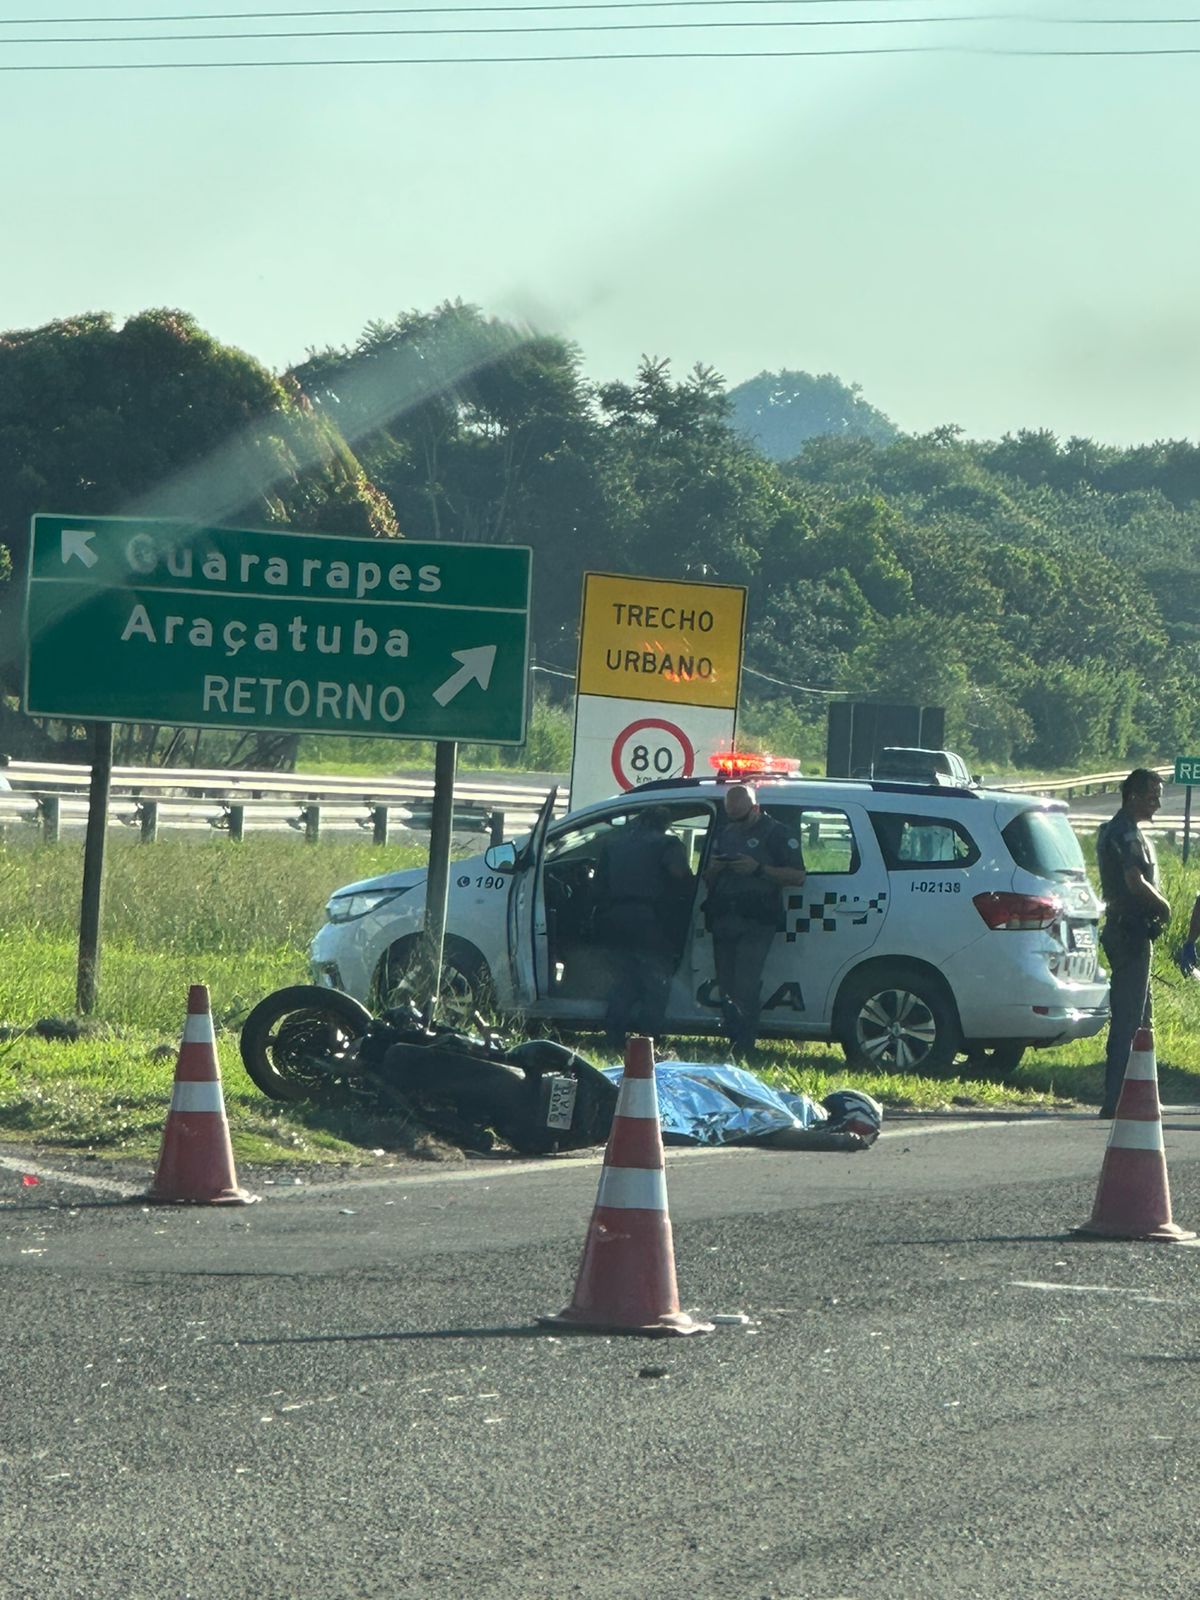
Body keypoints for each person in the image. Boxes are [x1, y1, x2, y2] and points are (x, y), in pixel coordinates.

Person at [702, 783, 807, 1057]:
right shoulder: (726, 832)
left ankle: (746, 1045)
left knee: (745, 984)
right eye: (731, 817)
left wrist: (758, 869)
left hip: (757, 919)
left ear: (756, 808)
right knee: (726, 985)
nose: (736, 823)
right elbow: (707, 879)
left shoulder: (777, 834)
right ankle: (733, 1040)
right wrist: (713, 869)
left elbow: (798, 876)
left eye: (742, 817)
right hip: (724, 916)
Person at [1096, 768, 1171, 1118]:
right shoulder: (1124, 832)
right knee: (1129, 1021)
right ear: (1133, 796)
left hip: (1132, 933)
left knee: (1143, 1022)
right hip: (1129, 933)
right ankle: (1115, 1101)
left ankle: (1139, 1097)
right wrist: (1163, 906)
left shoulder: (1124, 829)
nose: (1158, 802)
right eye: (1153, 795)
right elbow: (1133, 879)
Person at [592, 806, 693, 1051]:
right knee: (655, 982)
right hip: (650, 919)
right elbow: (681, 876)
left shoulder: (614, 844)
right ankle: (648, 1040)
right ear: (664, 824)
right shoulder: (667, 845)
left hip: (616, 918)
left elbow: (598, 886)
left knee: (623, 980)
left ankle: (613, 1036)